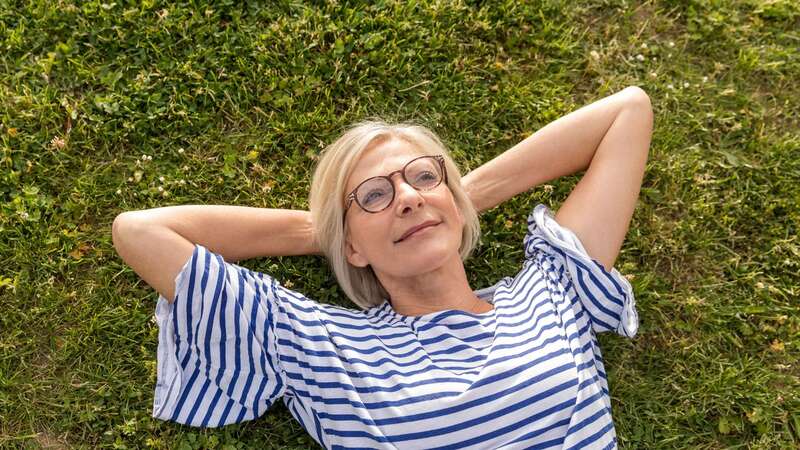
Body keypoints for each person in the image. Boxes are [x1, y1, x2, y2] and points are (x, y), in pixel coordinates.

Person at [112, 85, 653, 449]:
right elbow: (141, 232)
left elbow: (628, 112)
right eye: (373, 195)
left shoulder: (553, 290)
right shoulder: (324, 348)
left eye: (421, 177)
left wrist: (457, 200)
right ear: (352, 249)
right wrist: (327, 230)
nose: (407, 198)